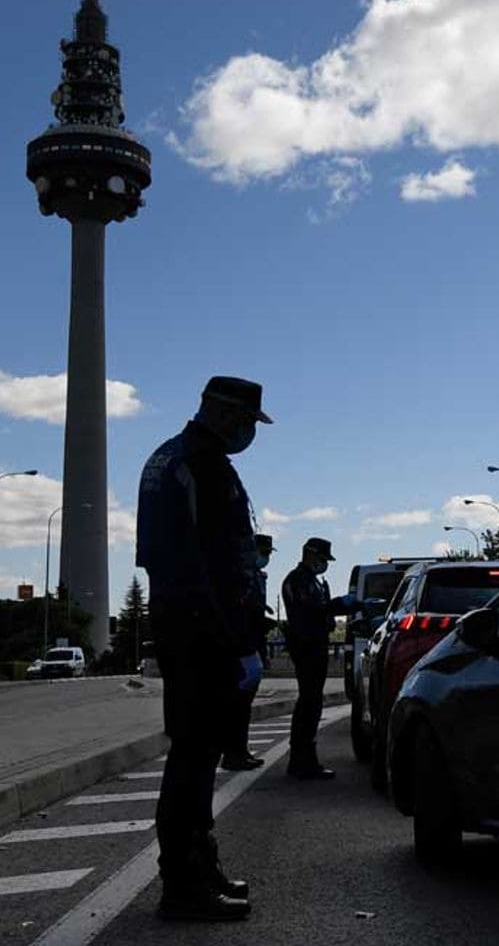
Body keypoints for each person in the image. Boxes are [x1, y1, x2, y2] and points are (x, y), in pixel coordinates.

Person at [135, 376, 271, 921]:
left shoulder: (173, 458)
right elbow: (205, 568)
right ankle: (184, 885)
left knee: (199, 754)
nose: (247, 434)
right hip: (201, 632)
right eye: (244, 422)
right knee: (193, 758)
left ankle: (199, 868)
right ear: (219, 413)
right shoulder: (201, 466)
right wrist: (236, 642)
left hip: (187, 627)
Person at [282, 537, 354, 779]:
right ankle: (301, 760)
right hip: (307, 646)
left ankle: (306, 759)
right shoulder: (298, 580)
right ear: (310, 554)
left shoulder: (312, 581)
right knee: (309, 703)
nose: (325, 564)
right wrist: (339, 605)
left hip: (316, 644)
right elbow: (310, 611)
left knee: (312, 703)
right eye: (323, 559)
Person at [220, 533, 274, 771]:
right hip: (240, 646)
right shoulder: (236, 576)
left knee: (243, 707)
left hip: (251, 643)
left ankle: (239, 750)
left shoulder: (254, 576)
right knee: (237, 706)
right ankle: (234, 753)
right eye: (263, 552)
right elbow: (238, 612)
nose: (265, 557)